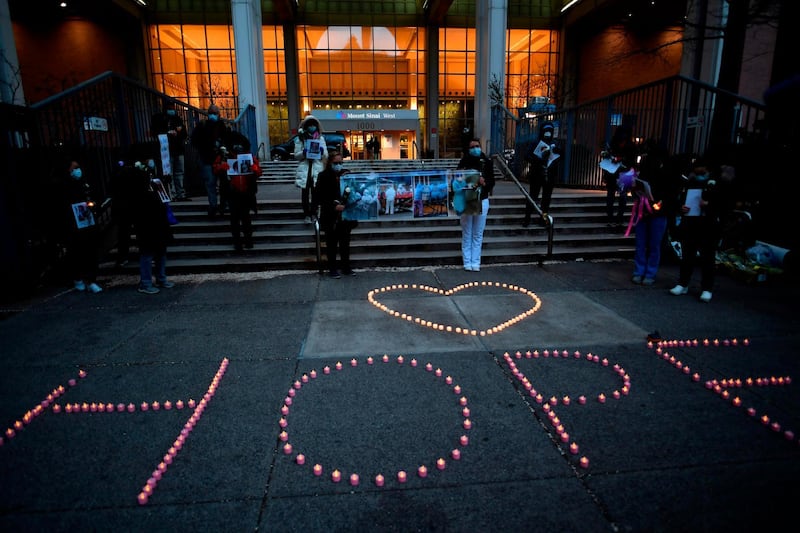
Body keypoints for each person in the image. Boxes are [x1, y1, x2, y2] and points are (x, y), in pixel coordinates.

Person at [669, 157, 735, 302]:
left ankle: (706, 288)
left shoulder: (719, 183)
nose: (699, 171)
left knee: (708, 257)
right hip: (691, 222)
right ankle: (683, 283)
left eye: (702, 169)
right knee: (687, 255)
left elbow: (725, 205)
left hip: (709, 225)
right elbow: (681, 199)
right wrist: (682, 207)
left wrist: (709, 205)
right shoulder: (690, 182)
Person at [629, 139, 678, 285]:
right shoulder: (645, 166)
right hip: (643, 208)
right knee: (641, 242)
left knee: (653, 244)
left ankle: (649, 272)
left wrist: (660, 202)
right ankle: (640, 271)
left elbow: (671, 192)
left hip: (658, 210)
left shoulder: (668, 169)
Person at [313, 151, 358, 278]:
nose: (338, 165)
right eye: (335, 163)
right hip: (330, 215)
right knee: (331, 244)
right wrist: (333, 206)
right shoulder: (323, 176)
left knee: (345, 243)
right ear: (330, 163)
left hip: (345, 216)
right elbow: (319, 196)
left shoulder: (346, 174)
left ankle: (346, 267)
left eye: (340, 163)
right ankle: (332, 269)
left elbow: (353, 190)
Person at [61, 160, 103, 293]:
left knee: (91, 251)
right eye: (74, 168)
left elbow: (95, 197)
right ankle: (78, 278)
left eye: (78, 167)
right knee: (77, 252)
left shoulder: (85, 184)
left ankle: (91, 279)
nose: (77, 170)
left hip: (88, 223)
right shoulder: (66, 186)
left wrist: (93, 204)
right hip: (75, 226)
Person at [133, 163, 174, 294]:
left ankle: (160, 278)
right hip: (147, 226)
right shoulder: (141, 191)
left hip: (158, 224)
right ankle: (146, 282)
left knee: (160, 253)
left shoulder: (155, 187)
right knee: (148, 254)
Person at [456, 137, 495, 272]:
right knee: (467, 232)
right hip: (467, 199)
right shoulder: (464, 162)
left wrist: (485, 183)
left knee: (478, 233)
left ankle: (476, 262)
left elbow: (492, 182)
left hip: (482, 199)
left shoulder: (487, 162)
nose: (475, 149)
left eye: (477, 146)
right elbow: (457, 179)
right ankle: (467, 261)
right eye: (472, 147)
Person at [218, 143, 260, 251]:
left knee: (245, 219)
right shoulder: (227, 159)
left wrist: (254, 169)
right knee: (235, 220)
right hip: (233, 193)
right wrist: (222, 168)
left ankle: (248, 241)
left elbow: (259, 172)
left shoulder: (250, 159)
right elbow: (216, 169)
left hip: (246, 193)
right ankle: (237, 242)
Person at [191, 103, 228, 217]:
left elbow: (227, 139)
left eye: (214, 113)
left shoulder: (222, 126)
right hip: (207, 159)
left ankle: (222, 205)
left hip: (219, 159)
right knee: (210, 183)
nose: (213, 115)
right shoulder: (202, 126)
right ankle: (213, 205)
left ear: (218, 114)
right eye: (211, 113)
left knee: (223, 184)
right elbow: (195, 140)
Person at [522, 121, 560, 227]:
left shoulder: (555, 143)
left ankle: (543, 219)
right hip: (536, 174)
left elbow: (559, 158)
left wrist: (557, 151)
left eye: (549, 131)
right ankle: (527, 218)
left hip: (550, 174)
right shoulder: (535, 143)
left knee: (546, 199)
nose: (547, 133)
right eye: (546, 130)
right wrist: (536, 159)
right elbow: (527, 155)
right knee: (532, 196)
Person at [151, 100, 189, 201]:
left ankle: (180, 193)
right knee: (170, 173)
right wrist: (168, 133)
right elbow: (155, 132)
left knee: (179, 172)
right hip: (167, 150)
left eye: (173, 108)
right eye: (170, 108)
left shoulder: (177, 119)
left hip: (178, 149)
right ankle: (172, 193)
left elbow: (184, 133)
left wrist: (178, 134)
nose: (172, 110)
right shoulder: (160, 119)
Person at [293, 115, 328, 224]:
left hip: (316, 168)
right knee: (305, 194)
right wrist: (303, 153)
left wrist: (321, 152)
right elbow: (296, 155)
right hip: (305, 168)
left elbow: (326, 155)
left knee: (316, 193)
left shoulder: (320, 138)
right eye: (310, 125)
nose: (312, 127)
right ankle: (306, 214)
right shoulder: (300, 139)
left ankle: (313, 213)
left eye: (313, 125)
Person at [601, 125, 637, 226]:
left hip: (625, 172)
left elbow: (631, 160)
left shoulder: (630, 146)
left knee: (622, 196)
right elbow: (608, 158)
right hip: (613, 172)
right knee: (611, 195)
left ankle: (619, 217)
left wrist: (621, 159)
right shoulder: (613, 143)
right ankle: (610, 217)